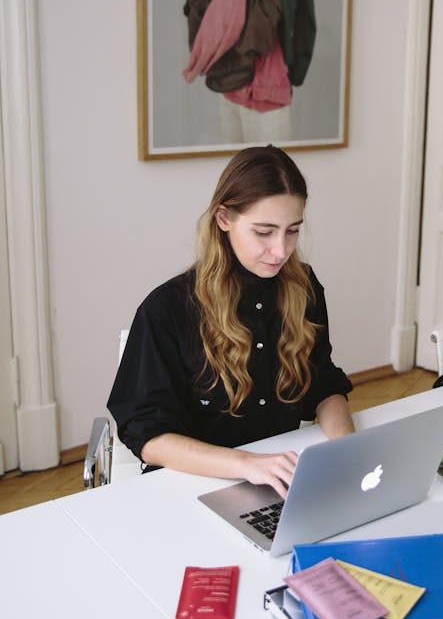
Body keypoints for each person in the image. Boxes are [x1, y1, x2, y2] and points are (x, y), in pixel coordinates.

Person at [108, 146, 354, 498]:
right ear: (224, 219)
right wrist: (247, 464)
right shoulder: (168, 309)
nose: (281, 250)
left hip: (277, 477)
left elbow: (322, 382)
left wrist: (347, 449)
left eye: (293, 230)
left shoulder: (303, 287)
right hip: (190, 488)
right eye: (264, 232)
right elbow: (148, 436)